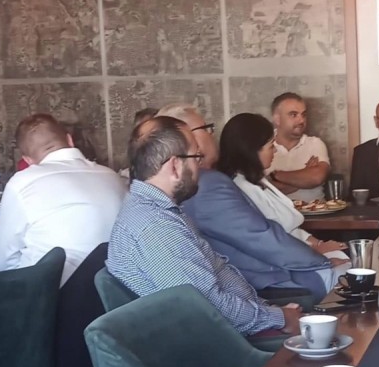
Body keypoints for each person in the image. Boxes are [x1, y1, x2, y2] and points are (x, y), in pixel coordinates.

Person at [107, 115, 296, 335]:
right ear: (175, 166)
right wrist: (280, 319)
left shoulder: (160, 211)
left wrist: (270, 312)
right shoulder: (156, 229)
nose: (200, 166)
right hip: (227, 343)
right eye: (196, 157)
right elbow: (207, 309)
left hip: (243, 325)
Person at [178, 109, 340, 297]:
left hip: (285, 261)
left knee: (348, 264)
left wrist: (317, 245)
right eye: (206, 129)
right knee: (347, 274)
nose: (211, 134)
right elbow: (262, 237)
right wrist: (319, 258)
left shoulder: (242, 180)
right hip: (272, 276)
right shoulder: (212, 185)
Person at [0, 113, 128, 285]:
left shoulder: (23, 182)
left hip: (51, 294)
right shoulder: (111, 176)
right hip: (116, 291)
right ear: (69, 140)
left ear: (27, 160)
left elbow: (4, 260)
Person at [267, 92, 330, 203]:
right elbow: (265, 191)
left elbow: (316, 178)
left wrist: (275, 175)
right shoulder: (263, 146)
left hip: (316, 211)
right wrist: (305, 175)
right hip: (276, 213)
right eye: (293, 115)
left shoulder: (315, 143)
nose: (301, 120)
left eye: (303, 114)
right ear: (277, 119)